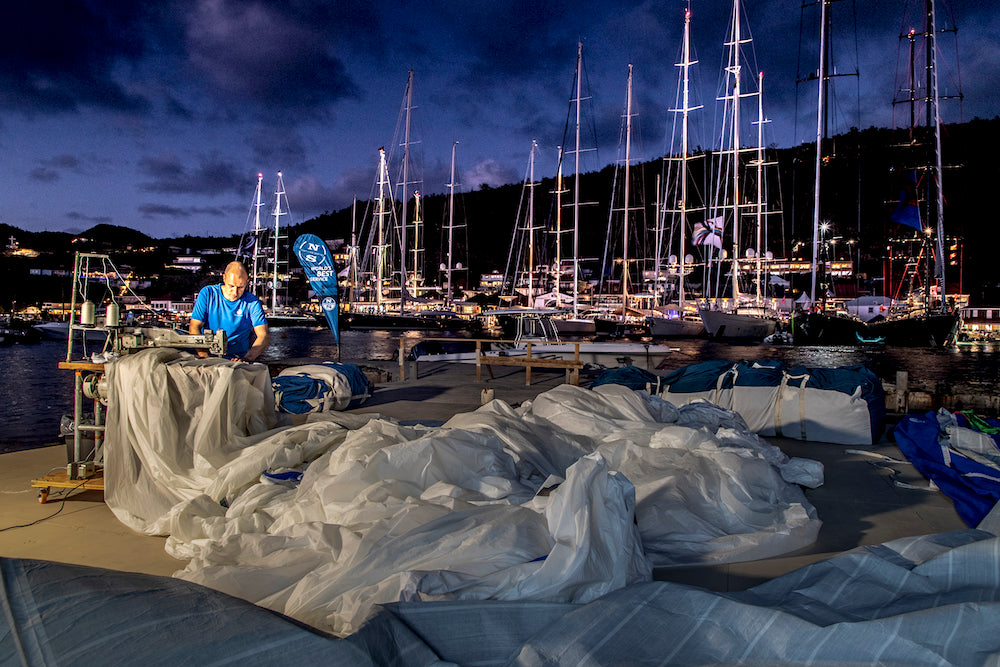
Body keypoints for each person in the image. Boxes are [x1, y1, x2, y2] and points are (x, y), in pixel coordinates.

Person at [189, 261, 270, 361]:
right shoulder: (208, 294)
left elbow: (263, 335)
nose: (235, 292)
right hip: (209, 354)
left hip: (238, 357)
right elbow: (194, 326)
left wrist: (247, 358)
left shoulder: (252, 302)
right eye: (231, 286)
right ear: (224, 278)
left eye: (240, 287)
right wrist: (204, 355)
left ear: (247, 282)